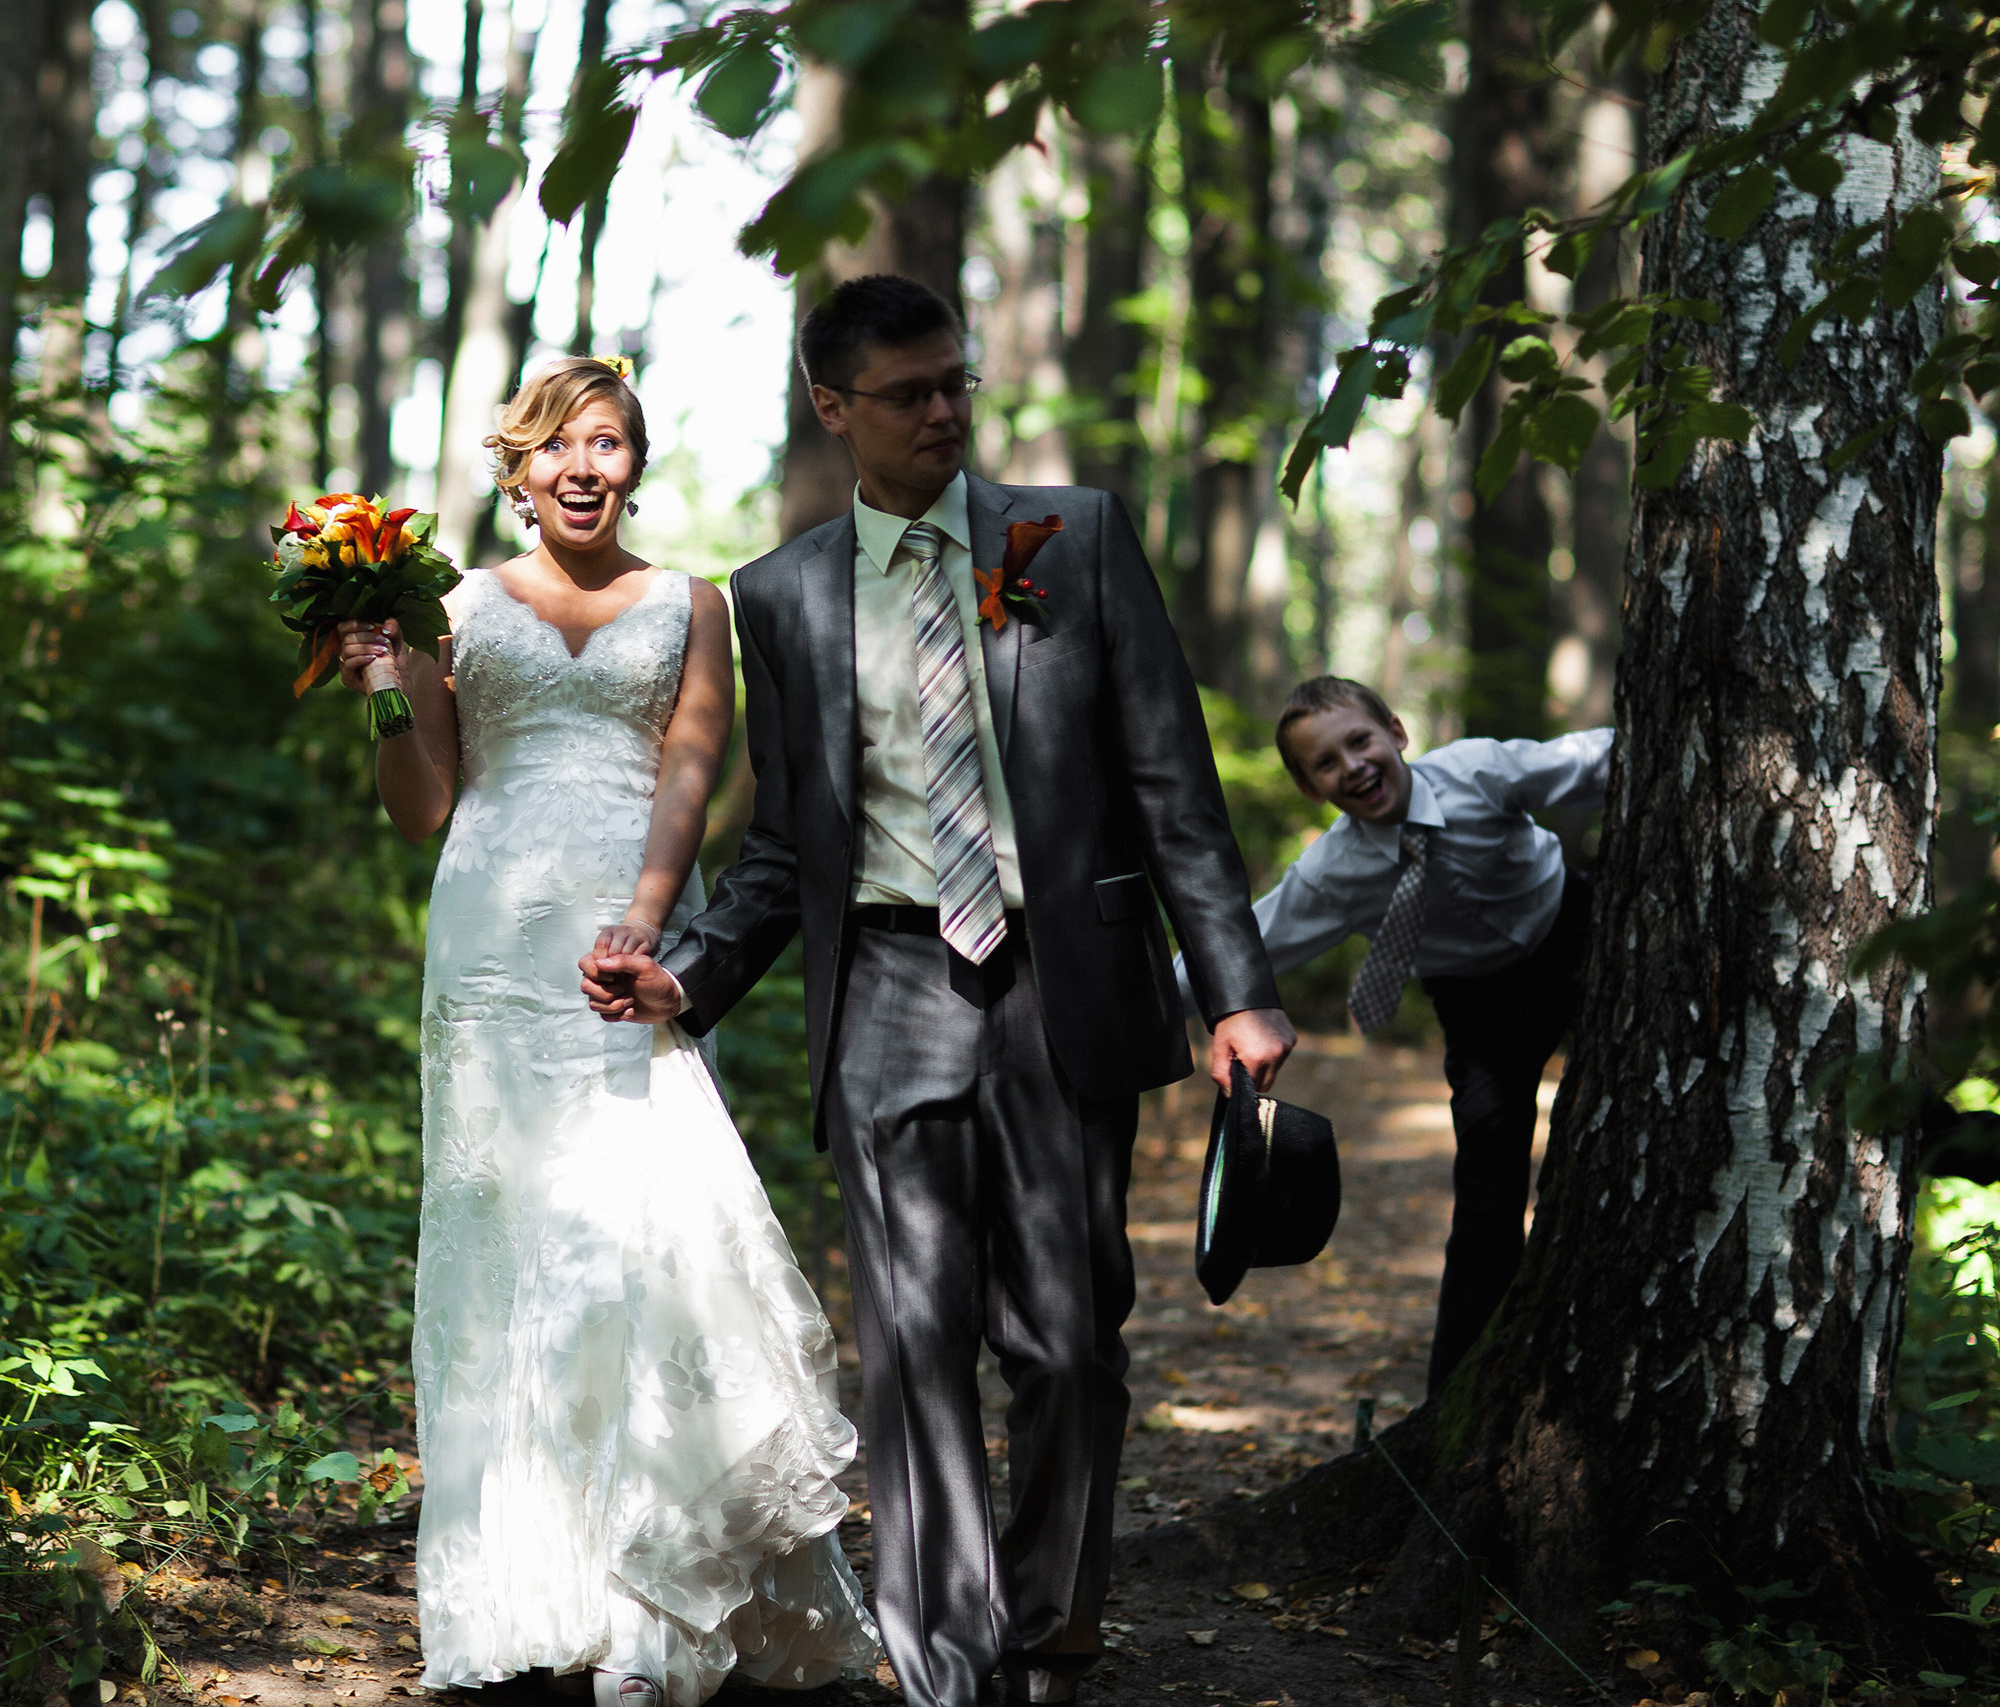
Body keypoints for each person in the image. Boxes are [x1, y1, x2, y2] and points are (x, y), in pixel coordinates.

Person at [580, 276, 1293, 1707]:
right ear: (832, 407)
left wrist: (1237, 987)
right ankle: (945, 1665)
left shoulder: (1072, 537)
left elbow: (1171, 782)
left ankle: (1053, 1627)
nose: (944, 411)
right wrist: (691, 971)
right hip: (887, 984)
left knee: (1068, 1339)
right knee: (914, 1344)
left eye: (956, 382)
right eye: (908, 393)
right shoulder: (779, 594)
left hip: (1062, 979)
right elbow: (787, 843)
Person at [335, 357, 879, 1707]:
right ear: (520, 470)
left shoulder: (693, 602)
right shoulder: (453, 605)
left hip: (632, 941)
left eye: (609, 443)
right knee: (504, 1238)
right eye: (559, 445)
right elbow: (422, 806)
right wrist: (385, 683)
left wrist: (649, 919)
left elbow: (692, 767)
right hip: (489, 950)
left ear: (633, 464)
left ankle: (657, 1601)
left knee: (650, 1230)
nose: (584, 466)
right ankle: (528, 1594)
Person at [1176, 676, 1612, 1397]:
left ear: (1397, 733)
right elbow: (1241, 949)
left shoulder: (1477, 772)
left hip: (1576, 931)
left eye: (1360, 741)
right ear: (1310, 789)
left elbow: (1587, 760)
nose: (1351, 766)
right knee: (1487, 1185)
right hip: (1479, 1003)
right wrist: (1139, 1008)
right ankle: (1459, 1390)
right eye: (1325, 763)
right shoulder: (1331, 873)